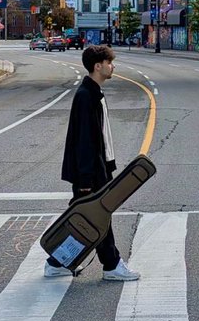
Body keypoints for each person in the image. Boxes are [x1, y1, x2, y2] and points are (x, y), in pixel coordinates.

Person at [46, 44, 140, 282]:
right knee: (95, 219)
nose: (113, 66)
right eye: (109, 62)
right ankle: (111, 265)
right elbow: (85, 142)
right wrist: (87, 180)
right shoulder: (86, 96)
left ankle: (57, 262)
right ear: (98, 66)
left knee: (90, 220)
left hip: (97, 169)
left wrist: (107, 167)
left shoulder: (93, 93)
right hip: (89, 173)